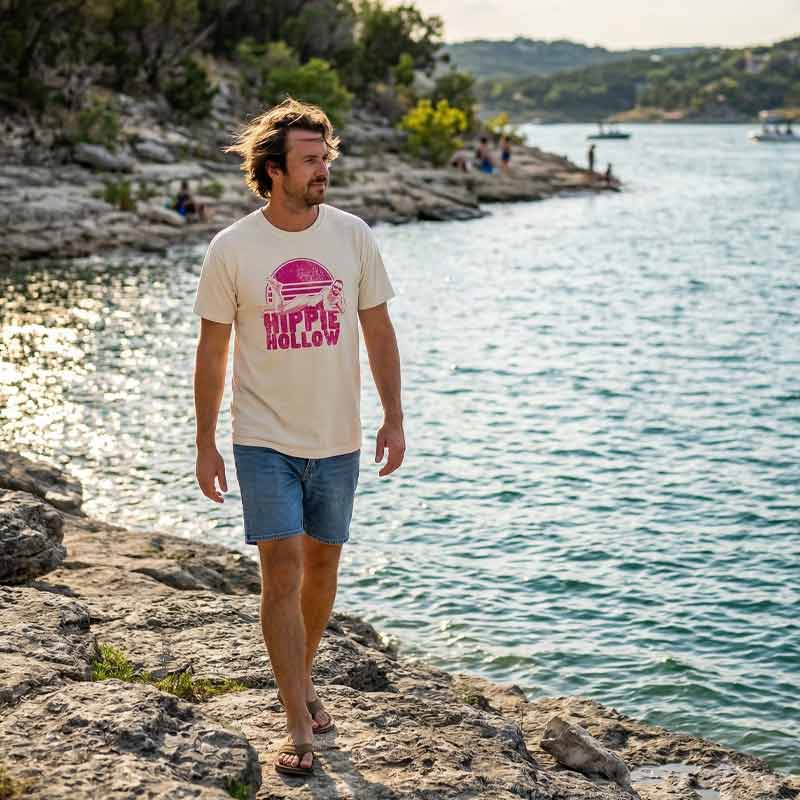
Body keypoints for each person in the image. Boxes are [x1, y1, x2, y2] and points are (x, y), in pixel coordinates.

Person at [192, 98, 404, 778]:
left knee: (321, 571)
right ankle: (294, 724)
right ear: (274, 170)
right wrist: (205, 441)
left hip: (336, 437)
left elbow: (378, 331)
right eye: (311, 160)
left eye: (326, 158)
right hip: (262, 438)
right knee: (280, 569)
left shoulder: (351, 236)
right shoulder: (233, 248)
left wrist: (394, 416)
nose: (323, 170)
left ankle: (303, 680)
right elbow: (212, 352)